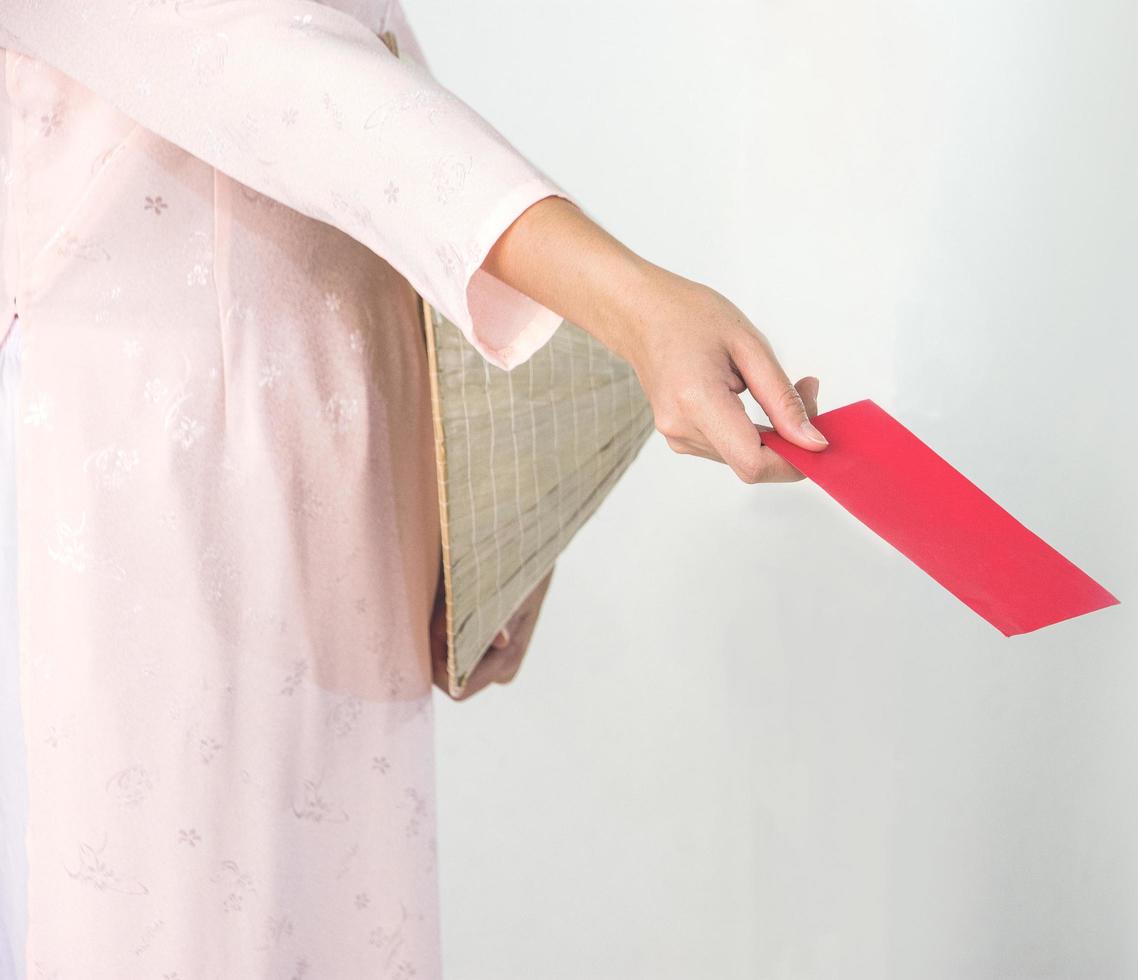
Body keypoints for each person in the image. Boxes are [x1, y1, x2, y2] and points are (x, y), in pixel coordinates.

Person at [0, 1, 826, 976]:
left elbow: (361, 52)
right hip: (145, 458)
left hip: (351, 432)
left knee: (342, 914)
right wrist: (631, 300)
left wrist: (492, 486)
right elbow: (269, 66)